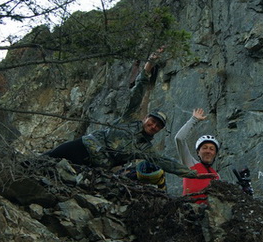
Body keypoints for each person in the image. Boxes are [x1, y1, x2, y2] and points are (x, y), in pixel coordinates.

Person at [44, 50, 210, 181]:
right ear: (146, 118)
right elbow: (138, 91)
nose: (153, 126)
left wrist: (193, 174)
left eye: (157, 126)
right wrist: (149, 66)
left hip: (97, 166)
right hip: (85, 145)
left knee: (63, 178)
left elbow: (166, 163)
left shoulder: (145, 149)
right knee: (49, 158)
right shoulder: (129, 118)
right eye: (152, 122)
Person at [175, 108, 221, 203]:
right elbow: (179, 139)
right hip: (189, 211)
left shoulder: (217, 176)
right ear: (198, 152)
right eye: (204, 148)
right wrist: (194, 120)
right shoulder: (190, 164)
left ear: (215, 154)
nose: (208, 151)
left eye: (212, 149)